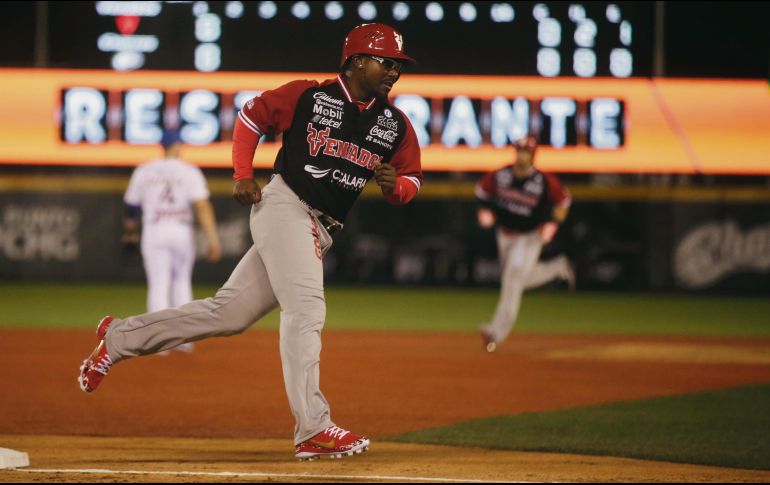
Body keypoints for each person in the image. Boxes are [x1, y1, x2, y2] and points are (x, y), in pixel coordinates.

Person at [78, 23, 423, 461]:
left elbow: (412, 179)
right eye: (386, 61)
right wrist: (243, 173)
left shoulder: (393, 123)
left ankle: (120, 339)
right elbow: (250, 117)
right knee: (307, 308)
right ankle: (313, 428)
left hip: (321, 226)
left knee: (227, 313)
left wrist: (396, 187)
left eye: (398, 64)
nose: (394, 70)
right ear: (356, 61)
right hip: (286, 206)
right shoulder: (310, 96)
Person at [123, 129, 222, 354]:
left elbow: (130, 209)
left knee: (158, 284)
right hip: (180, 231)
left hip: (154, 230)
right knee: (181, 282)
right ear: (176, 146)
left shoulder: (144, 170)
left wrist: (129, 234)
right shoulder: (189, 171)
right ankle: (184, 340)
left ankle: (158, 343)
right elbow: (202, 207)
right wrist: (212, 238)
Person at [475, 134, 572, 352]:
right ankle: (558, 268)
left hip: (529, 237)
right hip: (505, 234)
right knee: (518, 279)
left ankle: (495, 334)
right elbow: (482, 193)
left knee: (512, 280)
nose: (522, 155)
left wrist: (553, 224)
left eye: (526, 152)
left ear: (533, 155)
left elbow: (563, 203)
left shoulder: (543, 181)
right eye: (519, 150)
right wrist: (485, 211)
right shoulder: (501, 175)